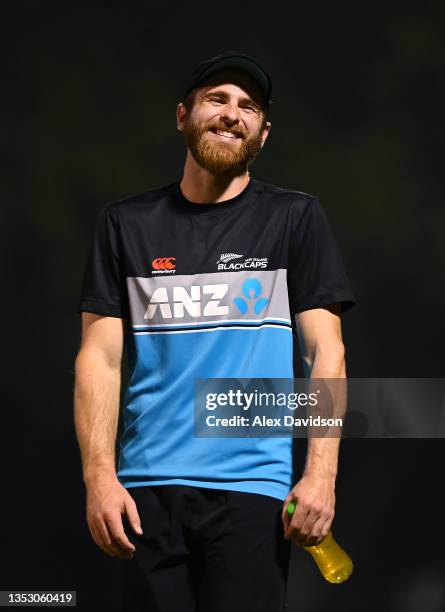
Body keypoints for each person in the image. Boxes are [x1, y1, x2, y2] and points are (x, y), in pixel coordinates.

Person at [74, 51, 356, 612]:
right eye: (217, 99)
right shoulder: (125, 225)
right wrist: (100, 478)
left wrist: (320, 476)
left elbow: (327, 352)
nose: (232, 114)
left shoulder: (294, 218)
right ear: (182, 115)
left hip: (253, 495)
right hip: (144, 496)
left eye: (249, 106)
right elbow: (98, 360)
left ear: (264, 132)